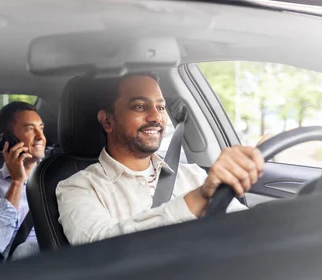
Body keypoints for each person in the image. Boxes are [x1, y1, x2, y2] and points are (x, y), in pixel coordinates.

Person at [56, 73, 264, 245]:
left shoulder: (193, 175)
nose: (156, 117)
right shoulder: (77, 188)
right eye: (139, 106)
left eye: (161, 107)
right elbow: (99, 248)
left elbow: (247, 228)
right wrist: (196, 201)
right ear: (107, 120)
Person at [0, 101, 46, 260]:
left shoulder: (56, 176)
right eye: (30, 129)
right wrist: (17, 182)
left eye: (41, 128)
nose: (40, 137)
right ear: (8, 140)